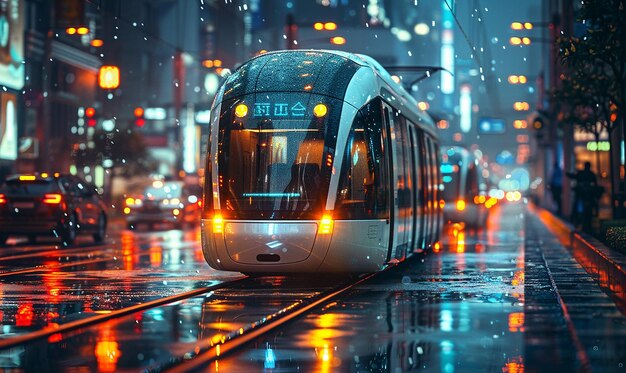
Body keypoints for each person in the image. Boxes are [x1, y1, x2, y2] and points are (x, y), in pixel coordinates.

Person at [566, 162, 598, 232]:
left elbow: (573, 176)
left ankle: (575, 219)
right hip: (584, 196)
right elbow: (595, 185)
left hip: (585, 196)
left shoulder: (582, 173)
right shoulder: (591, 174)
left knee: (577, 205)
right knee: (579, 205)